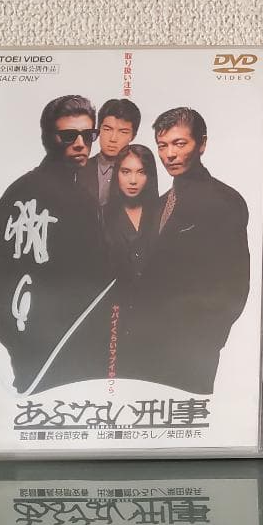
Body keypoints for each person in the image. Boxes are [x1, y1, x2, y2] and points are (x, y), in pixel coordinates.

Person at [0, 94, 111, 393]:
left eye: (88, 135)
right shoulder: (24, 194)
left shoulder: (85, 196)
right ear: (48, 138)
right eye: (68, 136)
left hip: (81, 346)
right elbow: (0, 277)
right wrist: (19, 344)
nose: (80, 144)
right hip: (41, 352)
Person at [139, 107, 250, 393]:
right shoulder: (159, 205)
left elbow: (236, 282)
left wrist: (209, 340)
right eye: (162, 145)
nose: (169, 154)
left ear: (202, 144)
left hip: (194, 346)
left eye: (179, 143)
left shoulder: (225, 201)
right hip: (148, 344)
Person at [101, 144, 160, 380]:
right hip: (114, 322)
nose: (133, 180)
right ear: (116, 174)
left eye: (141, 172)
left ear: (150, 176)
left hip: (158, 321)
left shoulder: (162, 213)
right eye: (126, 172)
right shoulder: (101, 216)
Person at [80, 98, 140, 206]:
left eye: (123, 132)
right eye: (107, 129)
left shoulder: (141, 173)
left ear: (133, 136)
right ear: (99, 130)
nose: (113, 138)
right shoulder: (79, 169)